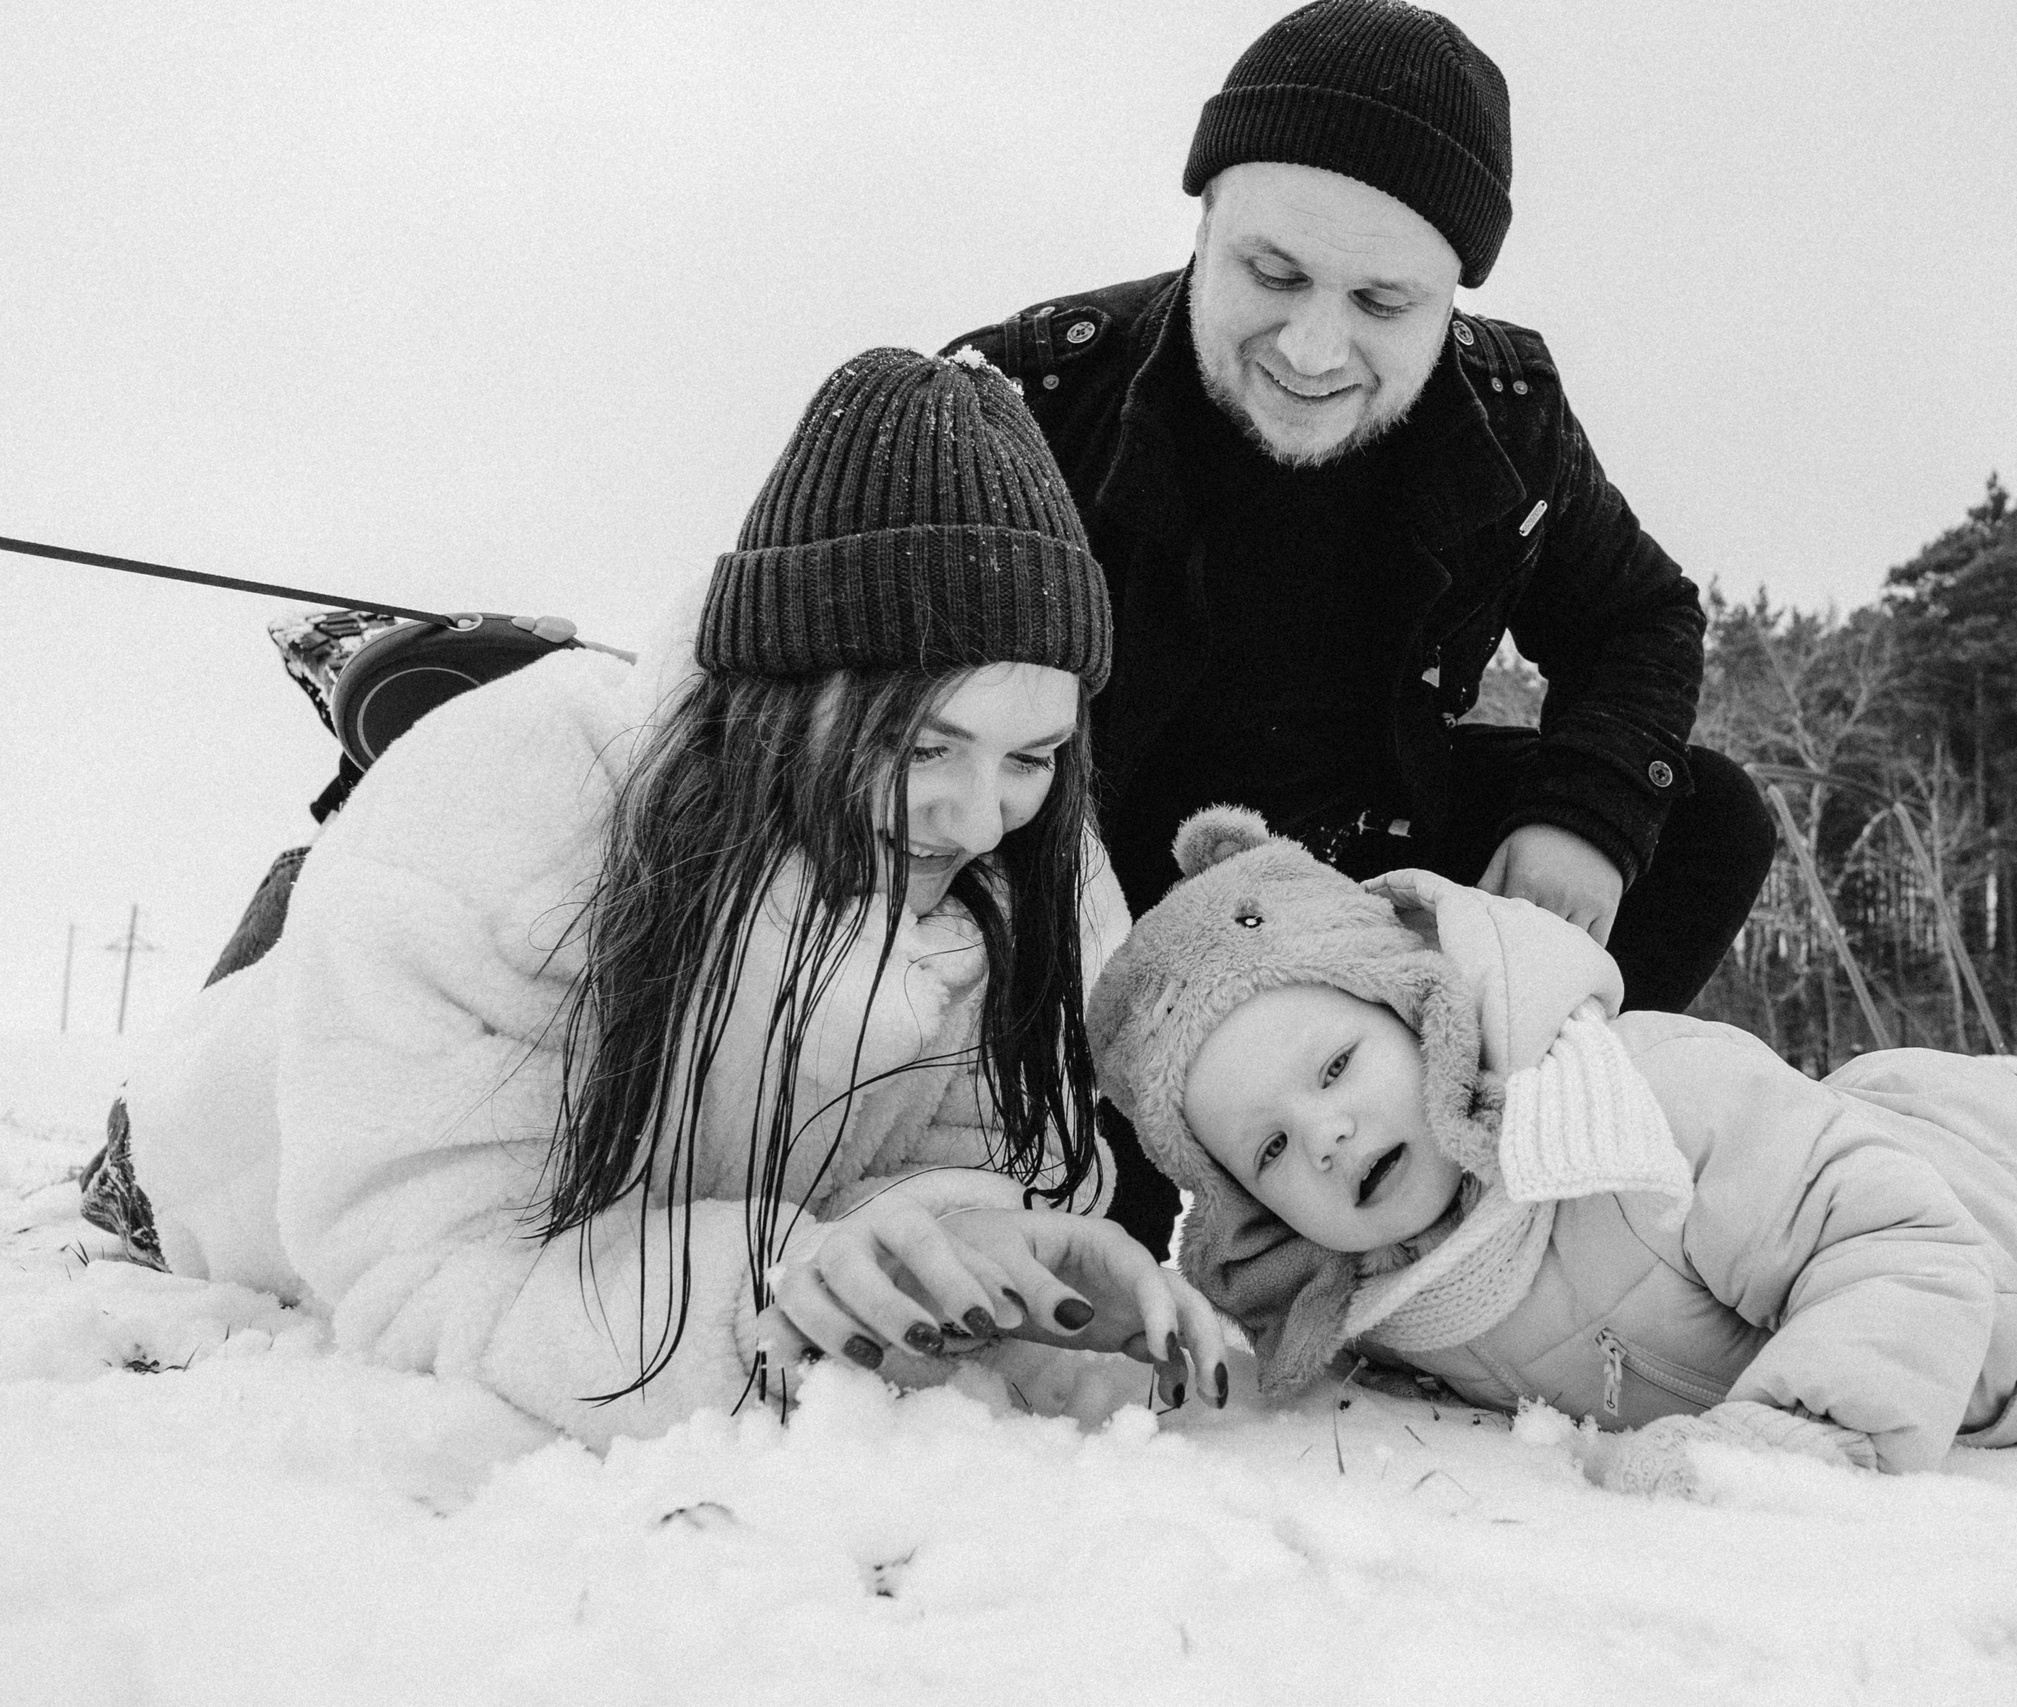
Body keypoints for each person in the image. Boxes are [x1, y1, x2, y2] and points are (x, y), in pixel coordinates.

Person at [103, 349, 1229, 1448]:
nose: (981, 820)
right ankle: (304, 875)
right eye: (922, 745)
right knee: (248, 1012)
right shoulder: (502, 802)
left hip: (469, 1048)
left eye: (1029, 758)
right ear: (786, 689)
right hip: (224, 1161)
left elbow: (931, 1172)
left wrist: (978, 1247)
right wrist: (776, 1287)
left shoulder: (1021, 884)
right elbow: (427, 1264)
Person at [942, 0, 1776, 1253]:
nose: (1315, 347)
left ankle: (1483, 1173)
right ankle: (1122, 1179)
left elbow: (1639, 615)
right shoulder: (1029, 399)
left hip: (1364, 875)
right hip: (1086, 897)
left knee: (1704, 818)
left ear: (1451, 296)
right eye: (1272, 275)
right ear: (1203, 226)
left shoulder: (1508, 416)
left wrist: (1582, 817)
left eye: (1382, 302)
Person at [1087, 808, 2017, 1487]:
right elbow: (1233, 1323)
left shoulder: (1635, 1107)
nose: (1327, 1127)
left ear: (1427, 1014)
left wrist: (1798, 1447)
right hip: (1923, 1207)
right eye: (1271, 1144)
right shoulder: (1370, 1264)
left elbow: (1905, 1244)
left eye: (1337, 1064)